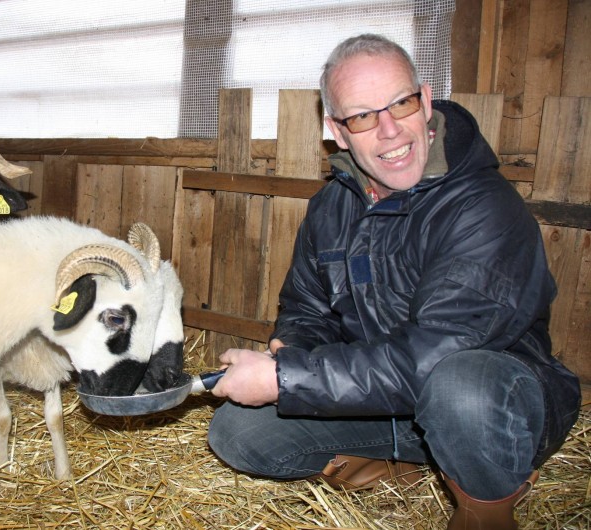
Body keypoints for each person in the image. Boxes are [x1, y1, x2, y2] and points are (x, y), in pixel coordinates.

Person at [207, 33, 581, 530]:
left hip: (492, 405)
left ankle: (484, 509)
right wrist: (290, 347)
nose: (389, 130)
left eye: (401, 104)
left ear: (425, 103)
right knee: (237, 432)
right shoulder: (331, 207)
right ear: (337, 132)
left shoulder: (483, 208)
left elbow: (436, 355)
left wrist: (285, 379)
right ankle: (402, 466)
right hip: (384, 398)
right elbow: (307, 308)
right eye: (362, 116)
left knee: (458, 389)